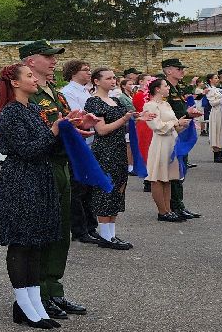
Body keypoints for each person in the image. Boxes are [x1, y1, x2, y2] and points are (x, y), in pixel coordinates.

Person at [18, 41, 96, 321]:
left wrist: (79, 124)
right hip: (43, 166)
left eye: (53, 57)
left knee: (61, 231)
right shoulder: (26, 94)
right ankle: (38, 294)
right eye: (47, 56)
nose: (53, 61)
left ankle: (54, 289)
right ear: (30, 61)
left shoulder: (54, 93)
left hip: (62, 164)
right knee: (44, 231)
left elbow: (64, 122)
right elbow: (32, 134)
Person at [0, 63, 62, 329]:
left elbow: (47, 146)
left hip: (38, 178)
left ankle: (34, 302)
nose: (35, 79)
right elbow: (27, 149)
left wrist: (70, 129)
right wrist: (54, 131)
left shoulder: (32, 108)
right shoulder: (10, 113)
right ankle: (23, 303)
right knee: (21, 242)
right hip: (20, 180)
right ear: (16, 83)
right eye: (29, 75)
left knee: (36, 242)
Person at [83, 68, 133, 250]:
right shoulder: (93, 102)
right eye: (109, 78)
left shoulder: (116, 100)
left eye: (114, 78)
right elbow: (101, 130)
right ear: (96, 81)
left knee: (118, 189)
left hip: (118, 149)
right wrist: (124, 119)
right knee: (106, 190)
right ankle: (105, 236)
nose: (113, 81)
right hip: (105, 151)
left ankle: (111, 233)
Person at [60, 59, 100, 244]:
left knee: (89, 187)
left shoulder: (86, 91)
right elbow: (76, 115)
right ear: (74, 72)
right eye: (85, 70)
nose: (89, 73)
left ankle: (90, 226)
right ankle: (79, 229)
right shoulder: (68, 92)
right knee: (78, 189)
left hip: (91, 141)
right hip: (79, 142)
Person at [159, 58, 204, 220]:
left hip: (181, 132)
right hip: (170, 132)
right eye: (179, 68)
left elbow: (180, 110)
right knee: (174, 170)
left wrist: (189, 113)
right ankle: (172, 206)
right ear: (168, 70)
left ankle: (179, 205)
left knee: (180, 169)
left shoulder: (176, 88)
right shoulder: (164, 89)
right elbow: (162, 113)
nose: (182, 71)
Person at [140, 78, 188, 221]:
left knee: (167, 178)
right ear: (157, 89)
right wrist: (175, 123)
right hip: (160, 142)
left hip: (171, 141)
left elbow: (173, 124)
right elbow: (157, 126)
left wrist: (185, 123)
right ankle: (162, 211)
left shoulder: (166, 104)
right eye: (165, 86)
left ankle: (168, 209)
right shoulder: (150, 105)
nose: (168, 88)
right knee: (157, 178)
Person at [205, 72, 222, 163]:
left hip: (221, 112)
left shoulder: (217, 89)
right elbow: (212, 103)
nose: (217, 80)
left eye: (217, 78)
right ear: (210, 80)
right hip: (216, 112)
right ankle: (217, 154)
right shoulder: (210, 90)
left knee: (221, 132)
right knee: (217, 132)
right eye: (215, 78)